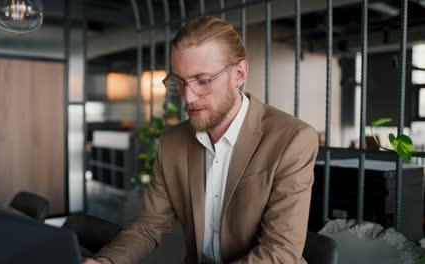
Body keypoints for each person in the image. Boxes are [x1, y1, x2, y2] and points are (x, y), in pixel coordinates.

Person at [84, 16, 318, 264]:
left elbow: (279, 252)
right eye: (179, 82)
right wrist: (106, 261)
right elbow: (149, 224)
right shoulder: (172, 142)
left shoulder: (293, 140)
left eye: (203, 81)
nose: (188, 97)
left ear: (239, 74)